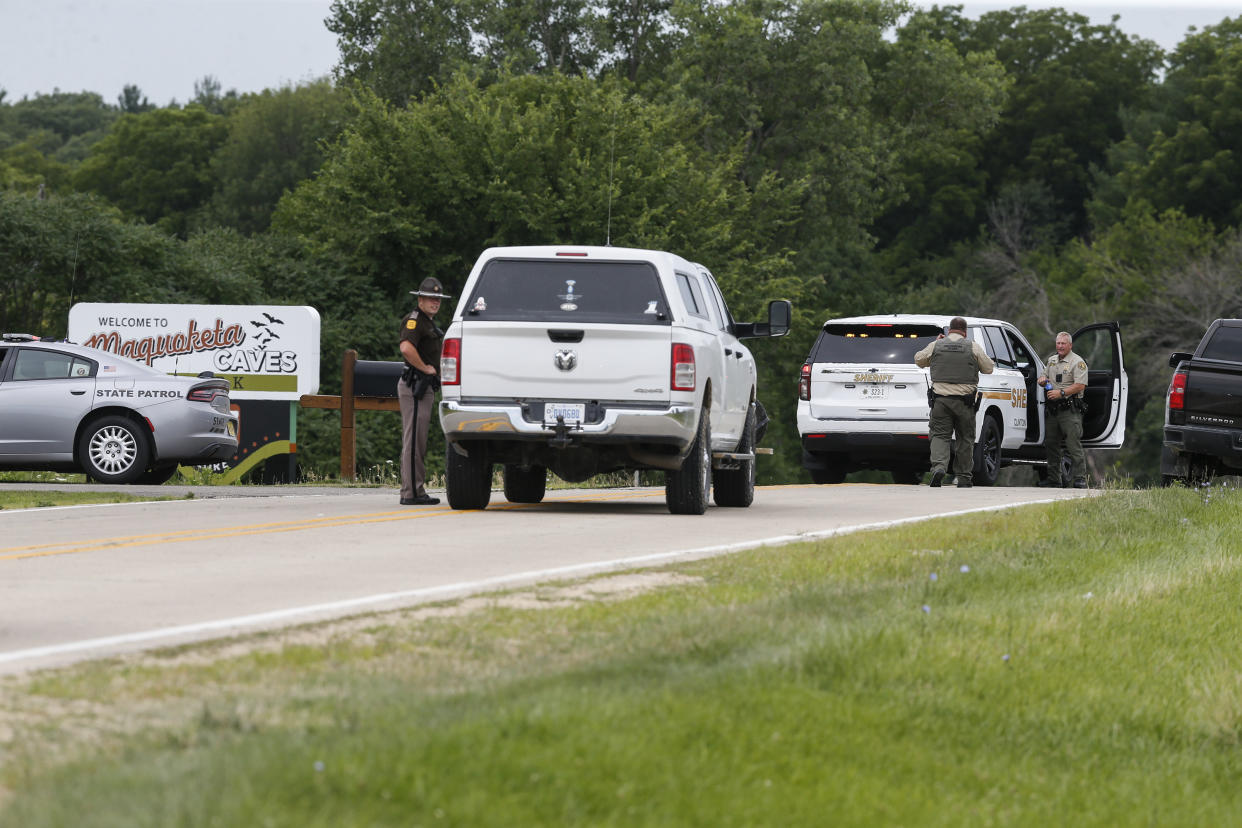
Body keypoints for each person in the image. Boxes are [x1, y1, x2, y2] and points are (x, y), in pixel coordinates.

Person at [914, 317, 995, 488]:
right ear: (965, 332)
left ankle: (939, 468)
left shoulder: (937, 345)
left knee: (939, 436)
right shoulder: (972, 346)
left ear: (949, 330)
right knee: (965, 439)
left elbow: (919, 360)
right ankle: (964, 477)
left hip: (941, 402)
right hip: (965, 403)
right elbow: (989, 368)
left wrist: (935, 344)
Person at [398, 277, 451, 506]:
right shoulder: (415, 321)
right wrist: (426, 368)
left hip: (423, 386)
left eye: (437, 298)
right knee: (413, 441)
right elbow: (406, 348)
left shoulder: (428, 323)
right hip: (415, 385)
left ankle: (416, 490)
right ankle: (411, 493)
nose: (435, 302)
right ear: (420, 299)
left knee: (418, 440)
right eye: (430, 298)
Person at [1039, 331, 1089, 488]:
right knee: (1051, 444)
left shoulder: (1077, 362)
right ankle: (1054, 479)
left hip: (1070, 409)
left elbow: (1080, 385)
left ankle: (1080, 478)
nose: (1060, 346)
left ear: (1070, 345)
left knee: (1073, 444)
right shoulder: (1052, 360)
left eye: (1063, 344)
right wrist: (1042, 380)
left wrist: (1061, 393)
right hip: (1054, 410)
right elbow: (1044, 375)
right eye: (1058, 343)